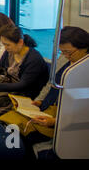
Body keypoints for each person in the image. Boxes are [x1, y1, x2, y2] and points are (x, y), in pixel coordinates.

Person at [5, 26, 88, 159]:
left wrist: (55, 121)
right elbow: (51, 83)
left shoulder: (84, 70)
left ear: (84, 48)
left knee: (23, 134)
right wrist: (39, 100)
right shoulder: (65, 59)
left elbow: (83, 111)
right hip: (47, 107)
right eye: (62, 52)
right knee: (10, 124)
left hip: (63, 118)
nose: (66, 56)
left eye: (69, 52)